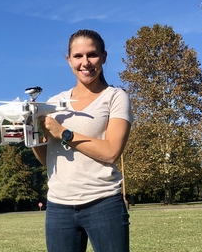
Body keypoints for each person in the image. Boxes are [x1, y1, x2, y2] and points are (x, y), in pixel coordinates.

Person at [33, 29, 133, 252]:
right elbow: (47, 160)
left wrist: (65, 133)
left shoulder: (115, 97)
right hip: (59, 207)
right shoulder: (54, 103)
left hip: (104, 203)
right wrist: (30, 134)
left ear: (104, 57)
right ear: (69, 60)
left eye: (92, 55)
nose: (85, 62)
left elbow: (111, 152)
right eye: (78, 56)